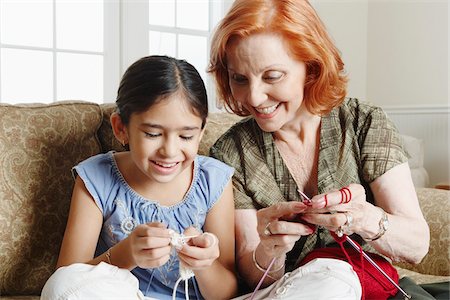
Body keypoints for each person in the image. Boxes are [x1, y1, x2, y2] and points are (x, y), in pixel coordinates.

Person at [208, 0, 431, 299]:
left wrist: (363, 217)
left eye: (272, 76)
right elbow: (251, 273)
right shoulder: (230, 153)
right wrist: (269, 249)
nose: (255, 97)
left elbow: (417, 246)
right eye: (240, 79)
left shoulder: (363, 123)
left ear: (311, 67)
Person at [41, 55, 237, 300]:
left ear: (201, 132)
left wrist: (204, 265)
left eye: (186, 136)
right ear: (121, 128)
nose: (170, 151)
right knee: (61, 285)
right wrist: (127, 255)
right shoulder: (96, 178)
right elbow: (67, 280)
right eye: (153, 134)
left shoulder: (213, 180)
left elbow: (228, 293)